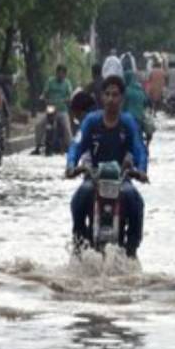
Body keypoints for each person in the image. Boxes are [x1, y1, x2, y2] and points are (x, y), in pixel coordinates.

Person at [65, 58, 149, 258]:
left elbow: (139, 148)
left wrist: (141, 170)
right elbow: (76, 145)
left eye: (115, 94)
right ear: (102, 97)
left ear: (122, 98)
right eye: (107, 94)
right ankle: (79, 242)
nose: (111, 99)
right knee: (79, 199)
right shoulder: (91, 122)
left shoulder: (128, 123)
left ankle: (131, 248)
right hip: (93, 179)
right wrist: (71, 165)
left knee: (135, 201)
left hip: (121, 180)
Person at [33, 64, 73, 154]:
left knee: (67, 128)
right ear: (56, 73)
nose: (61, 75)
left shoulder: (67, 83)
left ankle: (72, 148)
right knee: (39, 125)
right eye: (59, 73)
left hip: (62, 110)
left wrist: (67, 99)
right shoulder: (50, 81)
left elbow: (70, 95)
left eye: (63, 74)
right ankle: (37, 147)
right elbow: (44, 93)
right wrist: (42, 97)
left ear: (65, 75)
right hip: (51, 108)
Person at [123, 70, 154, 145]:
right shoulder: (141, 91)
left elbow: (122, 107)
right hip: (140, 120)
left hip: (127, 120)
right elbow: (148, 104)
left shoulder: (126, 91)